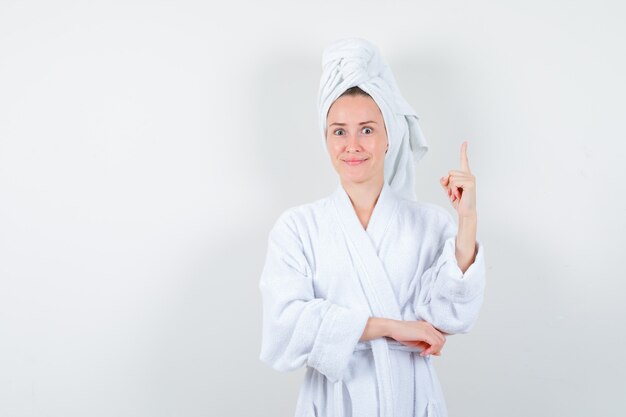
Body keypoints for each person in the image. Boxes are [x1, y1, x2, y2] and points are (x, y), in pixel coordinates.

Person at [258, 38, 486, 417]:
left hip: (409, 398)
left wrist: (467, 220)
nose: (352, 145)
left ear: (388, 138)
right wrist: (388, 327)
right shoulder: (297, 228)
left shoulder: (429, 223)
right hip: (332, 402)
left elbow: (450, 317)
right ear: (326, 139)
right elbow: (284, 328)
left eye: (366, 129)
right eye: (339, 131)